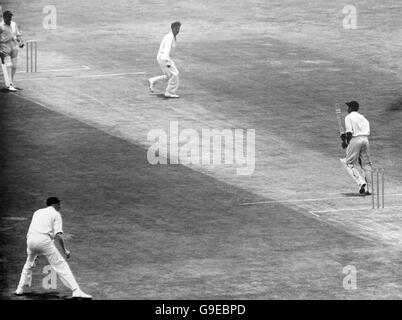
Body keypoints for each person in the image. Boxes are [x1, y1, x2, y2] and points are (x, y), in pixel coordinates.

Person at [15, 197, 92, 299]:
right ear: (54, 204)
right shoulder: (56, 214)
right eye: (59, 204)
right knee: (61, 265)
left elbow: (35, 228)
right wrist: (65, 250)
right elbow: (58, 235)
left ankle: (19, 289)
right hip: (44, 241)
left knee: (28, 264)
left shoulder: (37, 212)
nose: (60, 206)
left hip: (31, 240)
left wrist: (35, 249)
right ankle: (76, 290)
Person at [339, 101, 373, 195]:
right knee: (366, 164)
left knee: (348, 162)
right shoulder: (363, 118)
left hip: (355, 140)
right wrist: (345, 137)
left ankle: (361, 182)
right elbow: (356, 131)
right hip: (365, 140)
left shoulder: (348, 117)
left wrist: (346, 142)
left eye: (348, 107)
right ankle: (369, 189)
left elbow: (350, 133)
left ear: (350, 108)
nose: (347, 109)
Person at [148, 21, 181, 98]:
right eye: (176, 28)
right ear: (172, 28)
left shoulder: (172, 36)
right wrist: (168, 62)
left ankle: (153, 80)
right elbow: (167, 49)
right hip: (164, 58)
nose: (178, 31)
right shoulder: (170, 37)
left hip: (163, 57)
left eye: (178, 29)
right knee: (175, 73)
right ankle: (169, 92)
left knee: (169, 75)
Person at [0, 10, 24, 91]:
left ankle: (11, 83)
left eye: (11, 16)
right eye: (8, 17)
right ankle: (9, 84)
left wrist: (20, 42)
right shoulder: (1, 26)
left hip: (14, 46)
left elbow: (17, 35)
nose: (10, 18)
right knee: (9, 65)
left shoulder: (14, 24)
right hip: (5, 46)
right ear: (4, 17)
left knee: (14, 66)